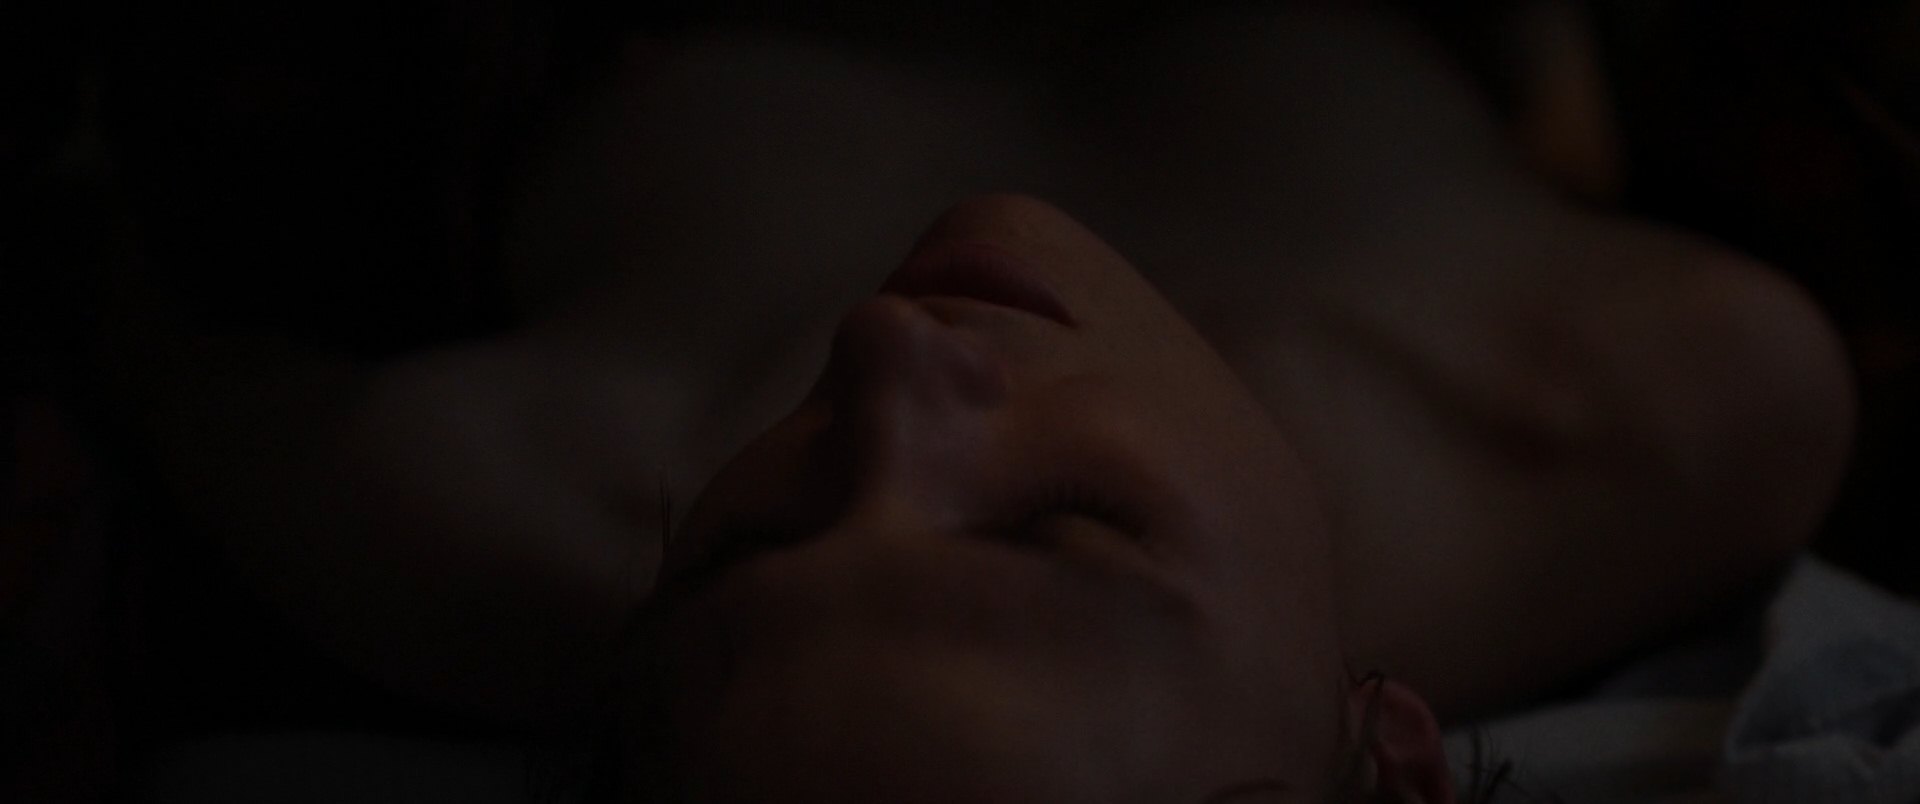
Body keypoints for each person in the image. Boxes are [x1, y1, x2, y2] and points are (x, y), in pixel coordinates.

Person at [93, 2, 1855, 802]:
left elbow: (80, 243)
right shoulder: (1674, 397)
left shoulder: (471, 509)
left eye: (749, 543)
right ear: (1393, 760)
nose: (880, 354)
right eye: (1064, 525)